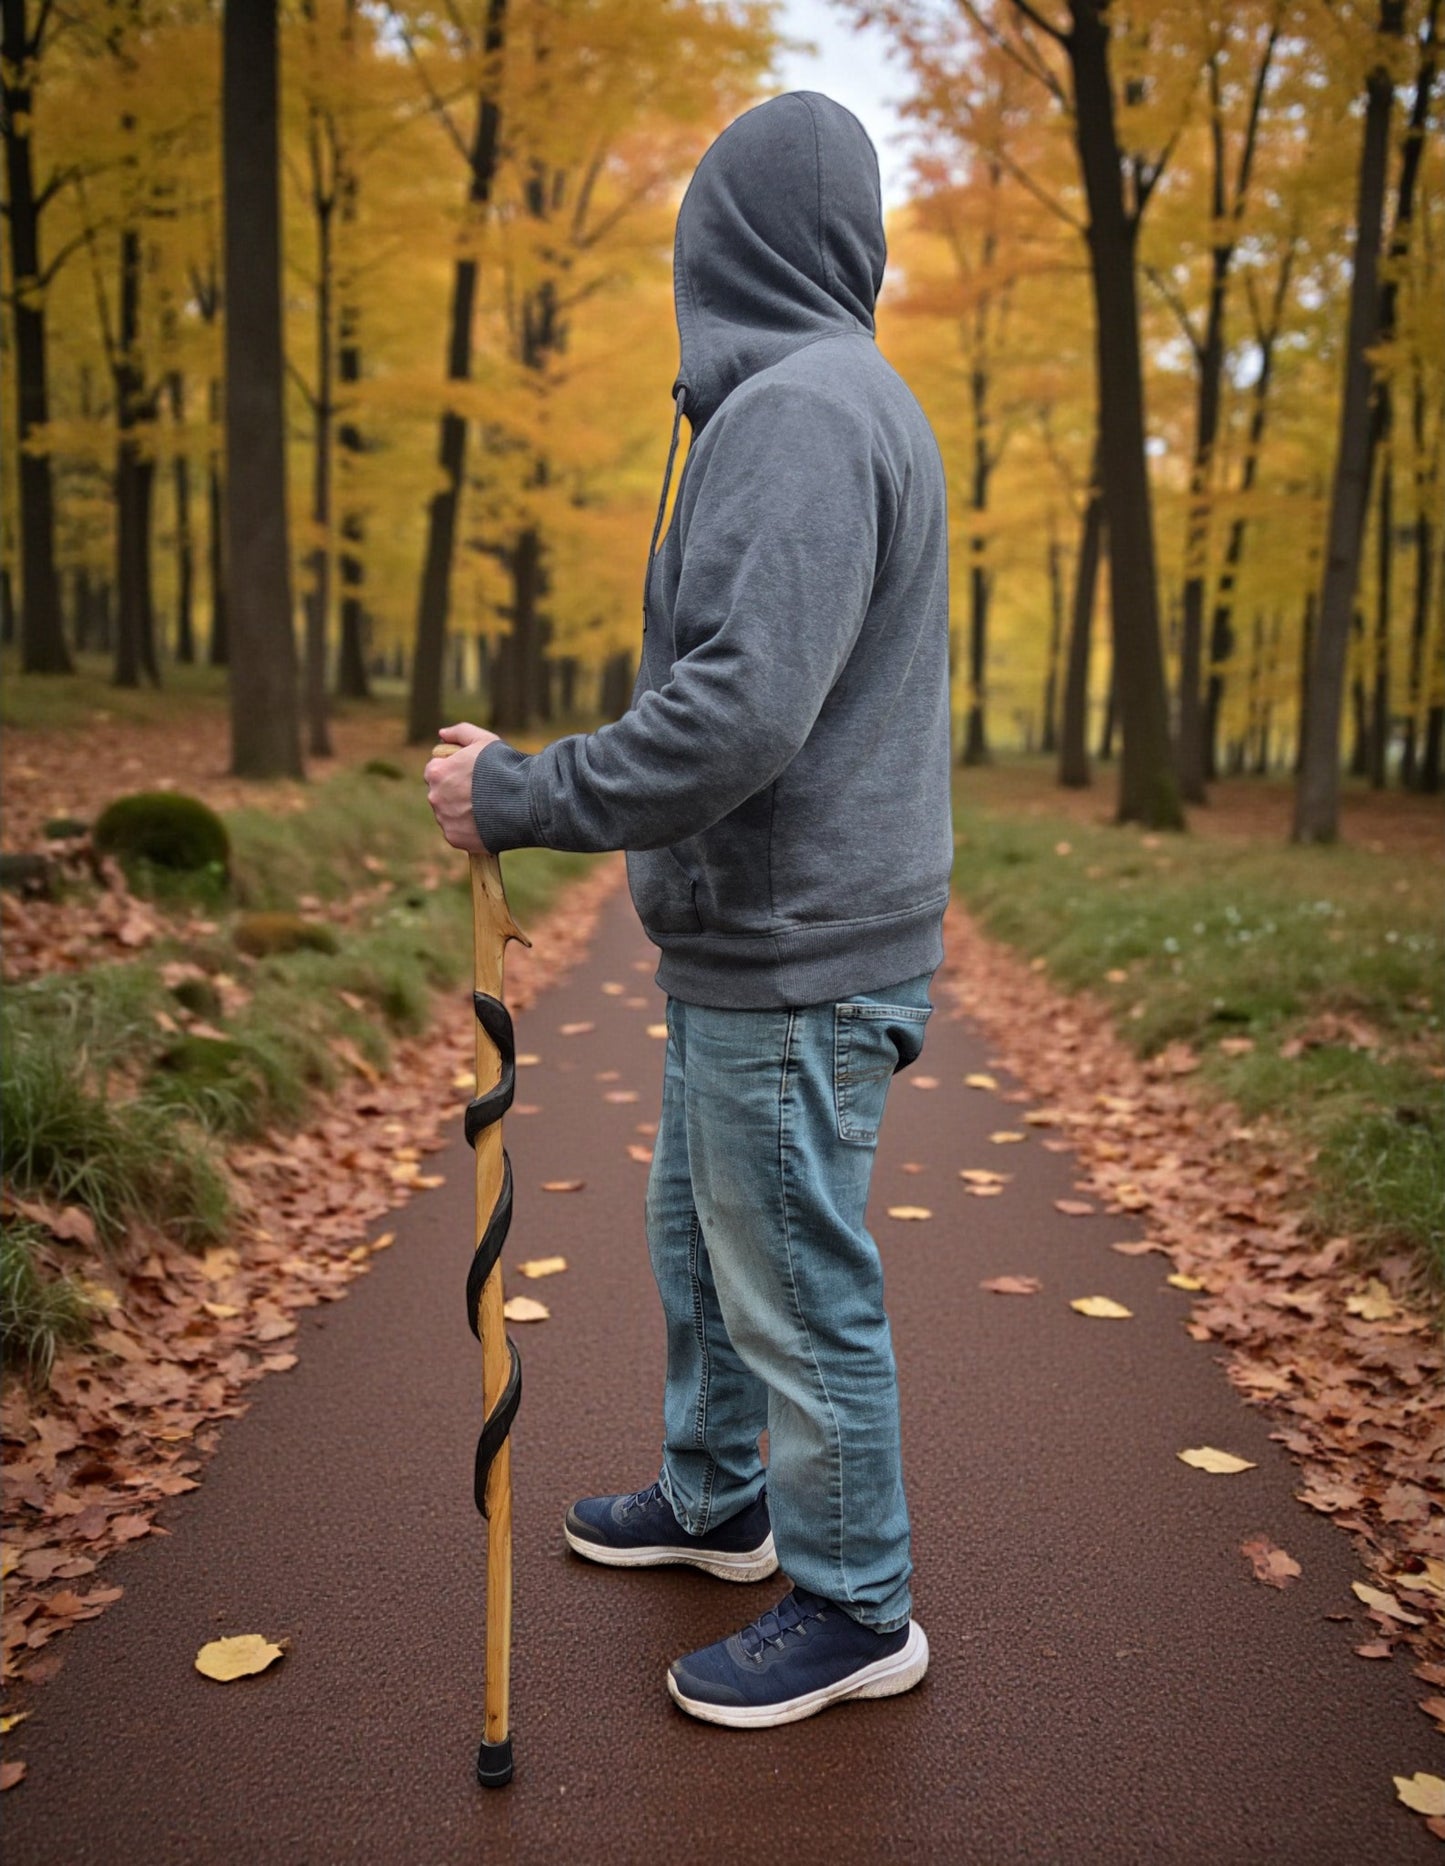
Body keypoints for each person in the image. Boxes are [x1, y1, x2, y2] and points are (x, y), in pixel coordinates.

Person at [425, 89, 952, 1731]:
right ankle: (719, 1499)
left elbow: (736, 714)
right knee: (707, 1243)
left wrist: (520, 793)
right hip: (762, 937)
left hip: (795, 951)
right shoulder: (826, 395)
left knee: (785, 1268)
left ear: (719, 243)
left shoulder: (799, 413)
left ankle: (857, 1601)